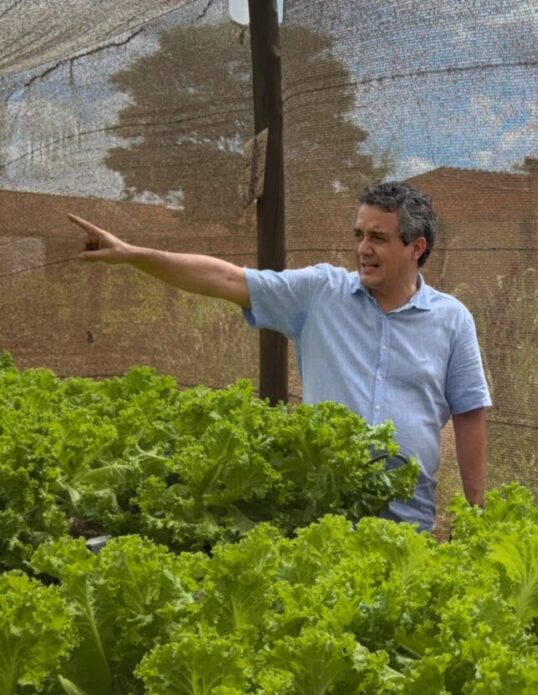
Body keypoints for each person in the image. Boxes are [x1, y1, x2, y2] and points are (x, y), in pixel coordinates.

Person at [69, 181, 491, 534]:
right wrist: (133, 254)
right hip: (320, 508)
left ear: (416, 247)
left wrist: (475, 513)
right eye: (359, 235)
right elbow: (224, 278)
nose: (363, 248)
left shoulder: (452, 320)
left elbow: (470, 413)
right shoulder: (320, 293)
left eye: (378, 237)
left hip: (406, 512)